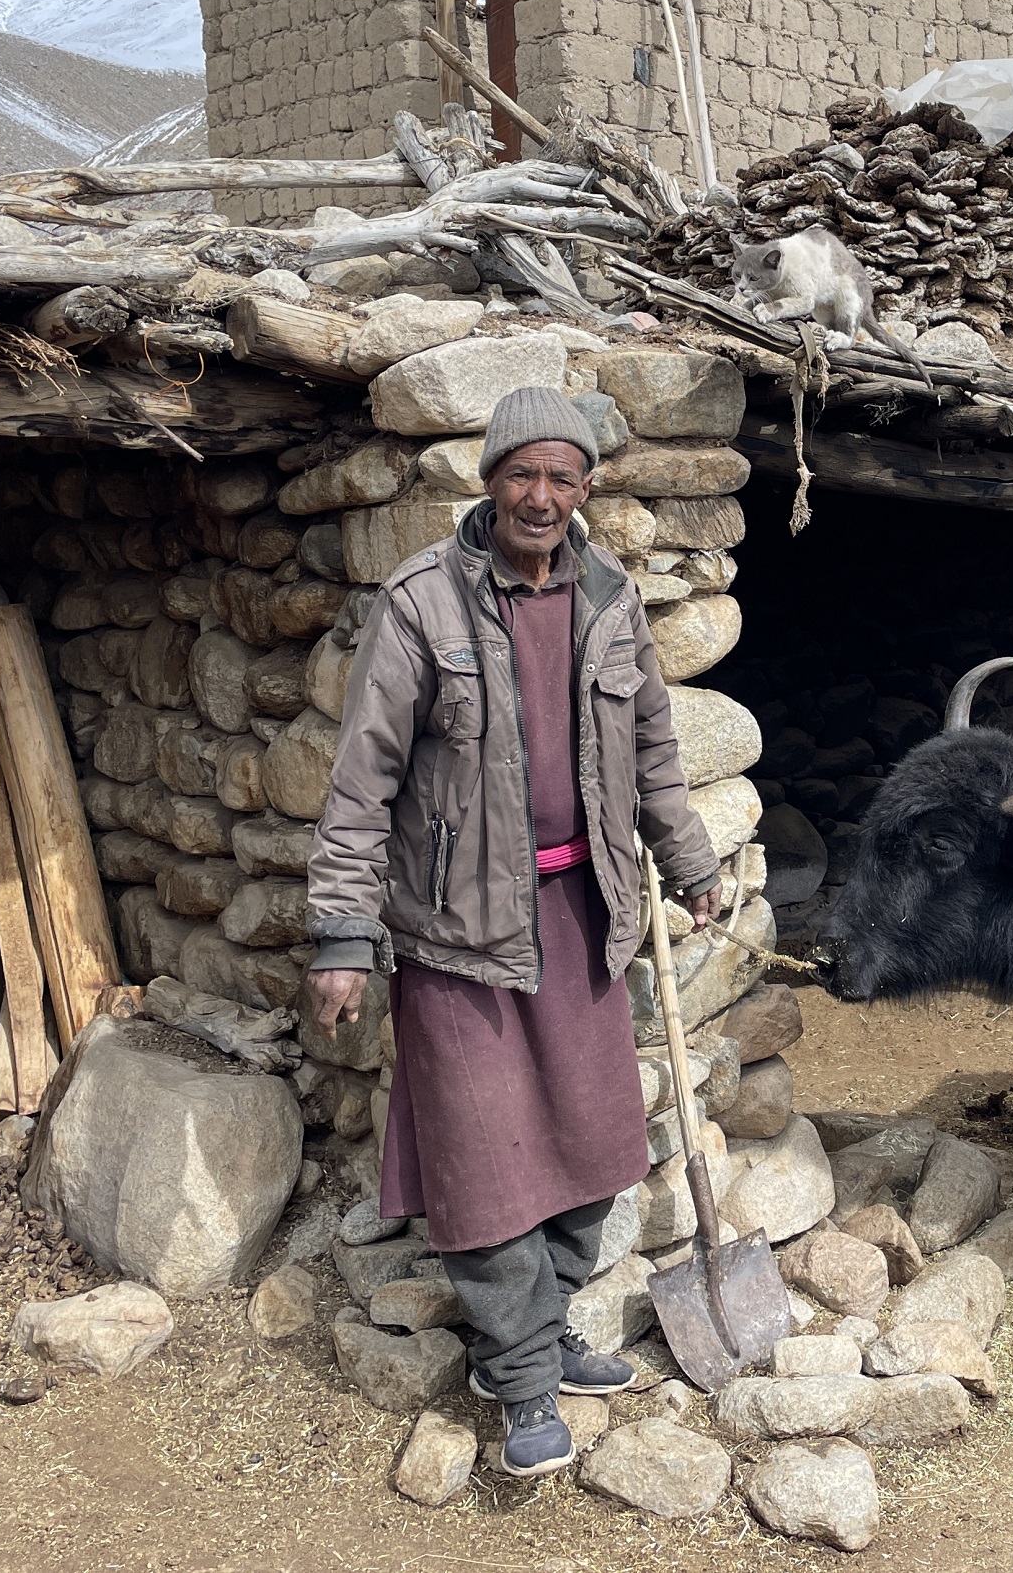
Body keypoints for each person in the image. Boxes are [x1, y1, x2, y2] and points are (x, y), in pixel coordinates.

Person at [303, 385, 721, 1477]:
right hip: (455, 928)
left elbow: (653, 756)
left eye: (562, 477)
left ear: (587, 490)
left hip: (584, 914)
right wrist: (344, 936)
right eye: (521, 473)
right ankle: (525, 1375)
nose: (541, 496)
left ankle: (541, 1330)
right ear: (488, 481)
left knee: (594, 1147)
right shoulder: (421, 604)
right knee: (487, 1165)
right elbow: (360, 784)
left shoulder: (608, 596)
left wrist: (688, 862)